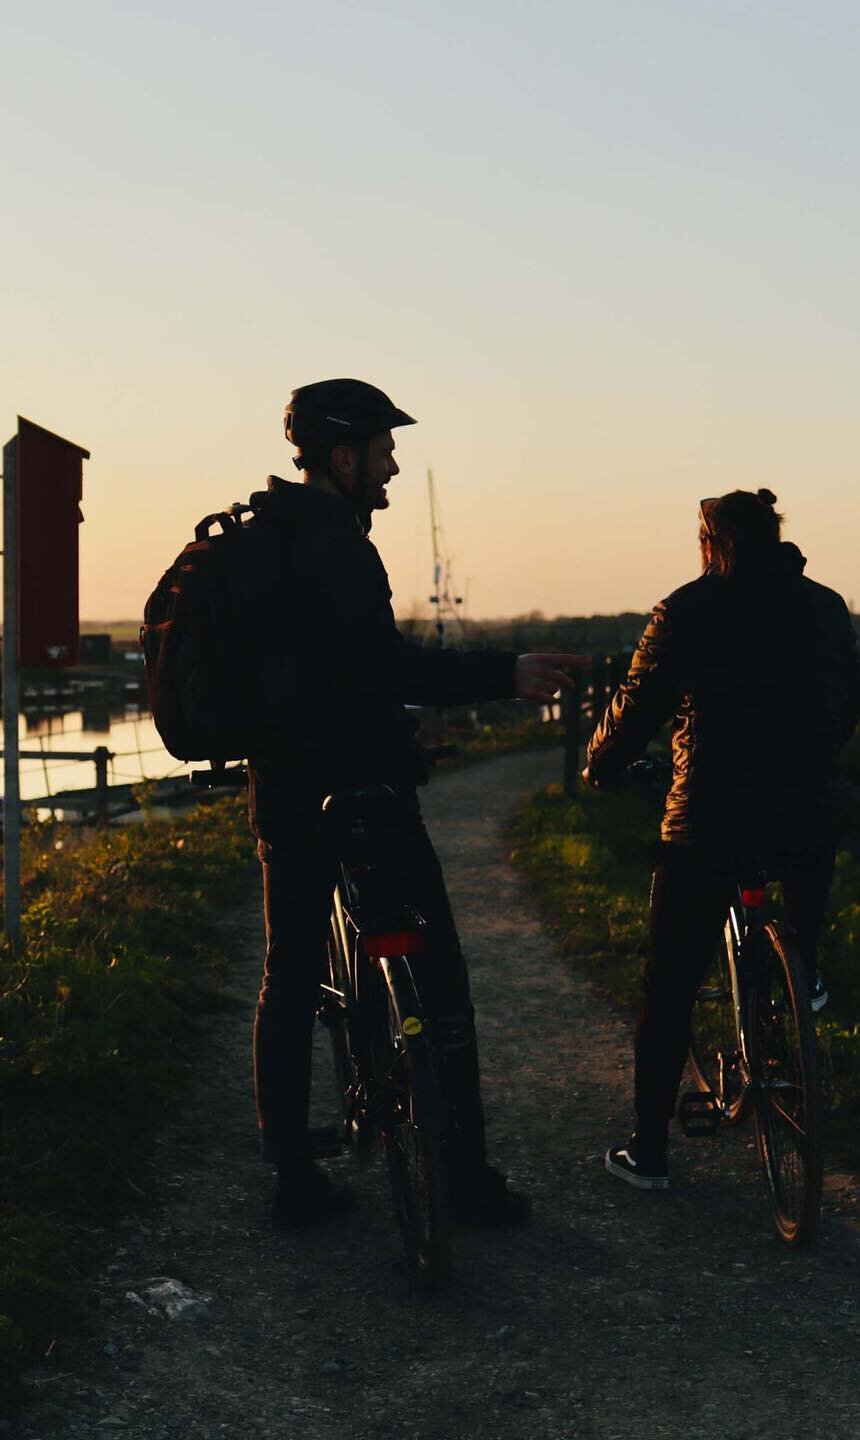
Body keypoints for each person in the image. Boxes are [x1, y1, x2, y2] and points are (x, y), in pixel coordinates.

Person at [245, 378, 582, 1227]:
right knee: (439, 976)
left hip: (284, 791)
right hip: (365, 784)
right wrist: (503, 674)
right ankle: (463, 1178)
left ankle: (292, 1177)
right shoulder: (338, 545)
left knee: (290, 974)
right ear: (345, 455)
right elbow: (385, 668)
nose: (394, 466)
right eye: (385, 449)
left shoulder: (259, 541)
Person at [583, 489, 860, 1191]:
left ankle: (648, 1154)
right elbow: (850, 700)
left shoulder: (688, 607)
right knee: (798, 942)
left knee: (671, 983)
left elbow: (637, 704)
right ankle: (799, 995)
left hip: (707, 820)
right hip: (805, 815)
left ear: (710, 542)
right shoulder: (824, 606)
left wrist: (600, 766)